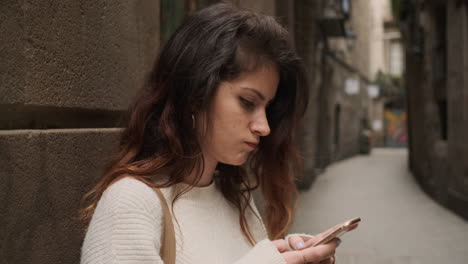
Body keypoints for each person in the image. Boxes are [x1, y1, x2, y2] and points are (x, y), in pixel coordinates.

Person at [80, 3, 343, 264]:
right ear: (196, 93)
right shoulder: (130, 202)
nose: (263, 127)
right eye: (248, 102)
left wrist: (287, 257)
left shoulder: (235, 197)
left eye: (268, 108)